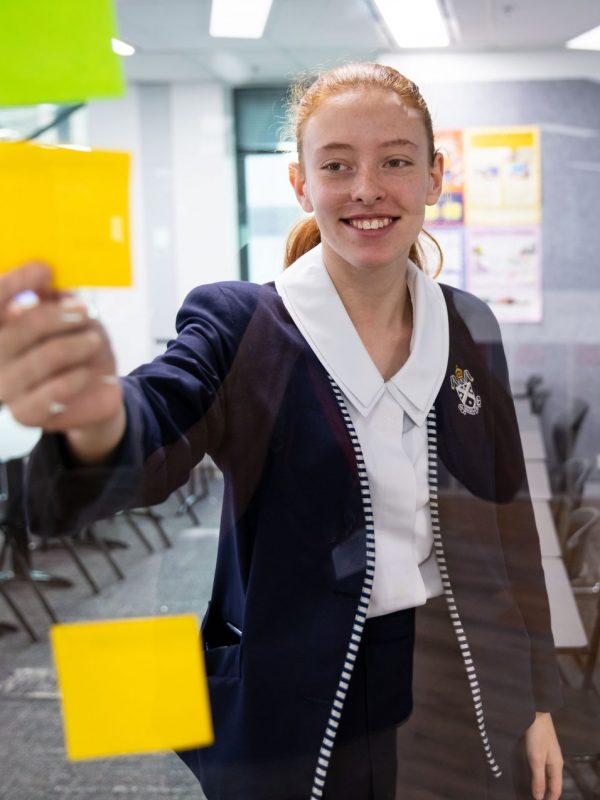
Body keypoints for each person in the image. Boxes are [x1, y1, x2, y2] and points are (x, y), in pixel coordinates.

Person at [0, 63, 563, 800]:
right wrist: (99, 417)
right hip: (298, 691)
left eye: (396, 161)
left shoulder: (468, 326)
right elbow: (158, 414)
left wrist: (540, 700)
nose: (367, 188)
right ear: (301, 184)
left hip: (459, 677)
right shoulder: (243, 325)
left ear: (434, 177)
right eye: (337, 165)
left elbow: (513, 526)